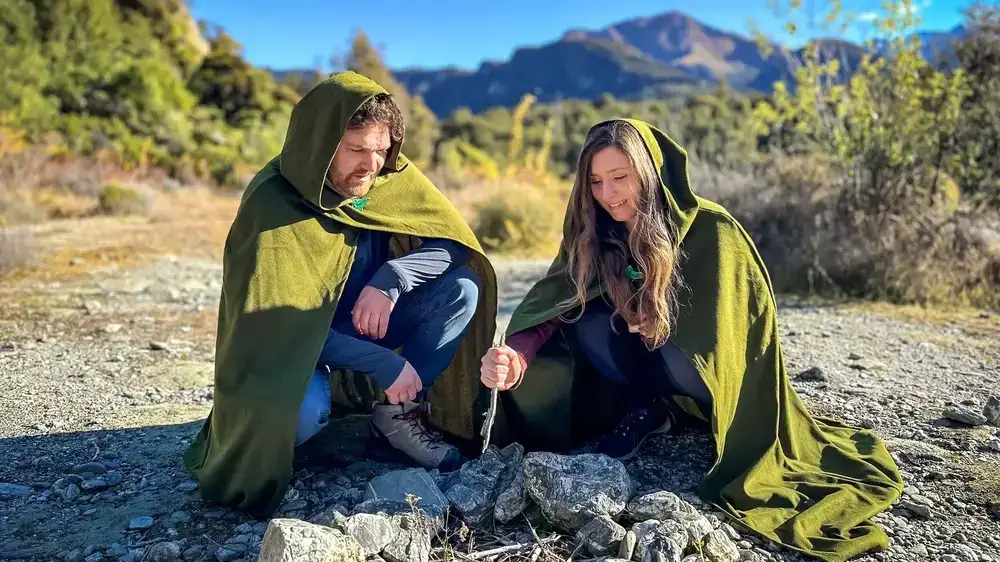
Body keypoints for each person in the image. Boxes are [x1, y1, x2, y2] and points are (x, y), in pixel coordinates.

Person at [478, 118, 904, 562]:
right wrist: (517, 357)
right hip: (638, 366)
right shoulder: (593, 230)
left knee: (676, 345)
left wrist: (667, 320)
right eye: (596, 181)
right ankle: (647, 410)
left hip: (701, 375)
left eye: (620, 178)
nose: (608, 194)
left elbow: (739, 334)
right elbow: (556, 301)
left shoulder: (714, 231)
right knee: (587, 322)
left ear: (649, 172)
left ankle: (690, 411)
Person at [183, 71, 497, 517]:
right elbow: (278, 329)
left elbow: (451, 241)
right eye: (355, 150)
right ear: (322, 145)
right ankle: (289, 430)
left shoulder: (387, 181)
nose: (371, 165)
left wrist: (393, 277)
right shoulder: (273, 204)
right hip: (293, 349)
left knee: (461, 289)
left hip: (366, 323)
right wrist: (383, 363)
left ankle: (397, 416)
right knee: (303, 417)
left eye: (381, 150)